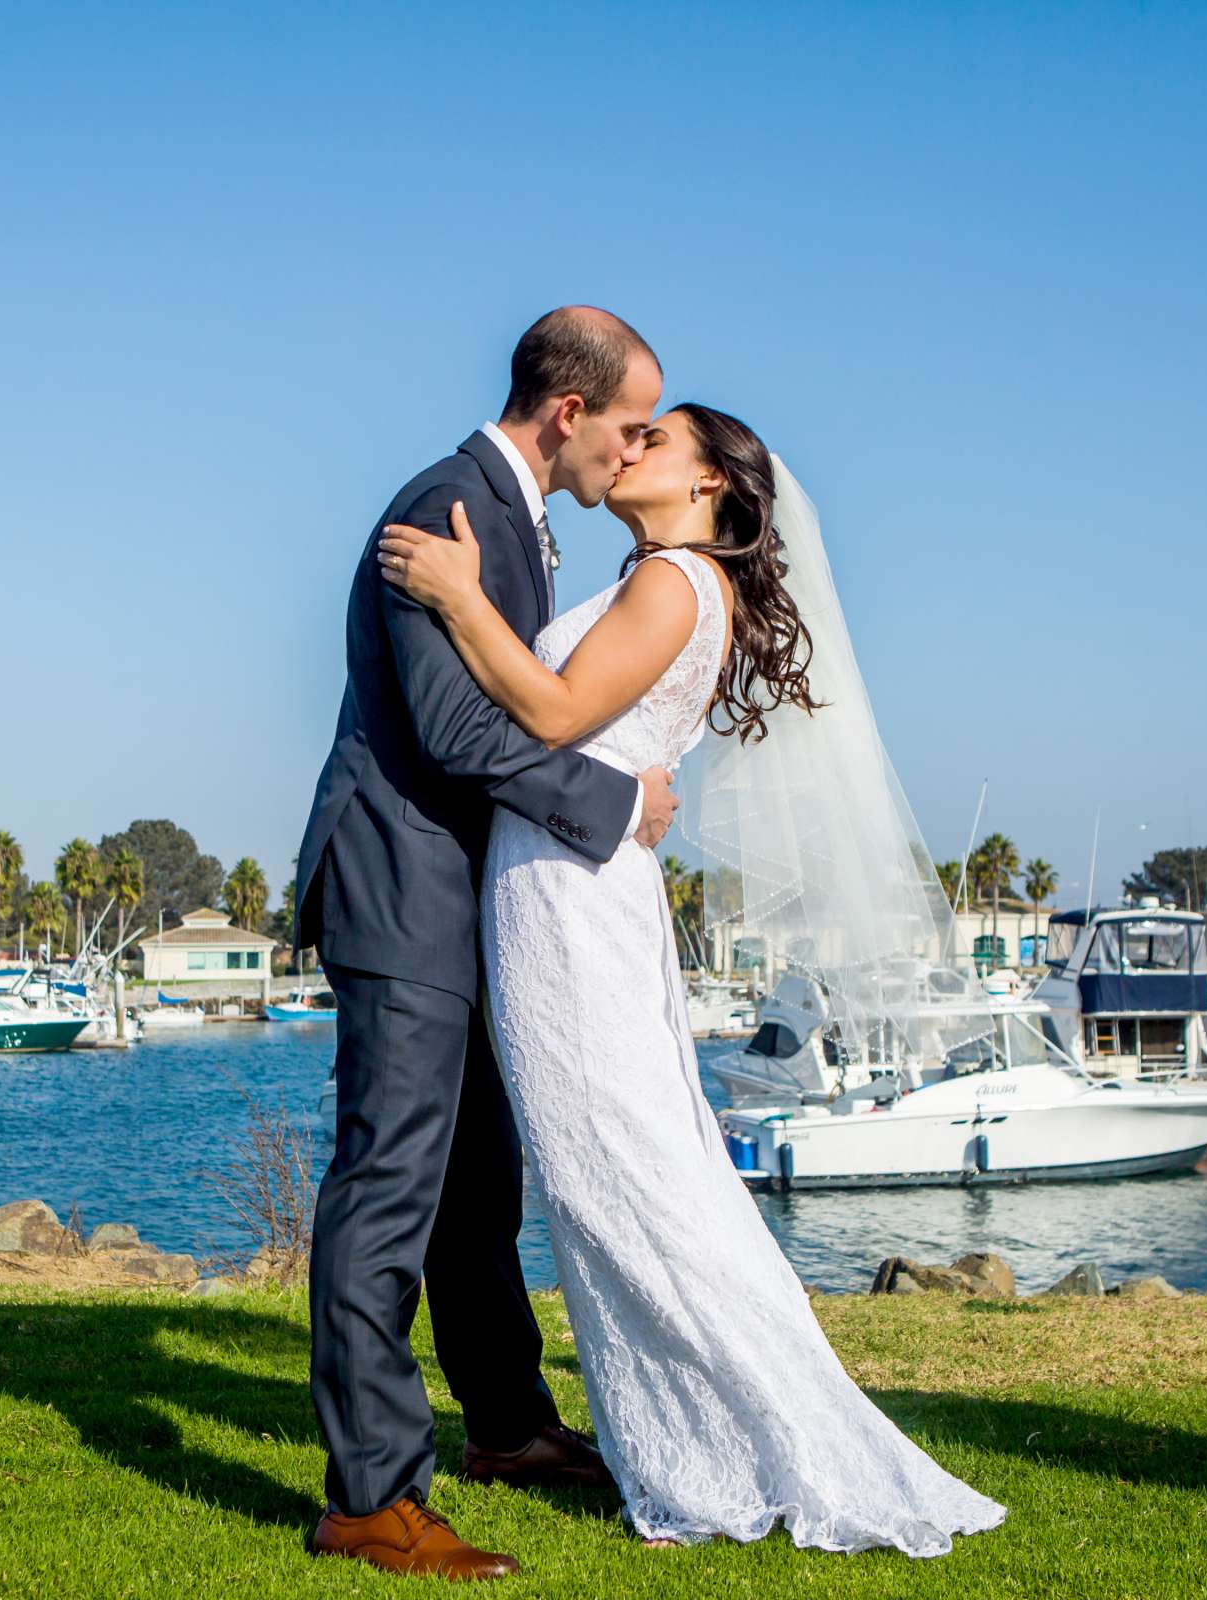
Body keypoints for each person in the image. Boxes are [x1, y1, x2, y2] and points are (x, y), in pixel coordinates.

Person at [373, 399, 1007, 1560]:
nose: (629, 449)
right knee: (609, 1176)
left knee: (626, 1176)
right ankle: (693, 1439)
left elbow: (558, 711)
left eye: (656, 440)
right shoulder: (664, 579)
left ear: (715, 483)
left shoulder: (676, 581)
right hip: (562, 887)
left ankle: (759, 1437)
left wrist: (462, 599)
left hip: (571, 901)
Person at [292, 307, 681, 1580]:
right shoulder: (446, 506)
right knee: (389, 1190)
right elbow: (459, 731)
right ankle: (369, 1498)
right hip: (402, 894)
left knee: (478, 1184)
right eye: (628, 428)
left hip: (464, 903)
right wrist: (613, 808)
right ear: (568, 413)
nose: (632, 454)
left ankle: (505, 1426)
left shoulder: (513, 522)